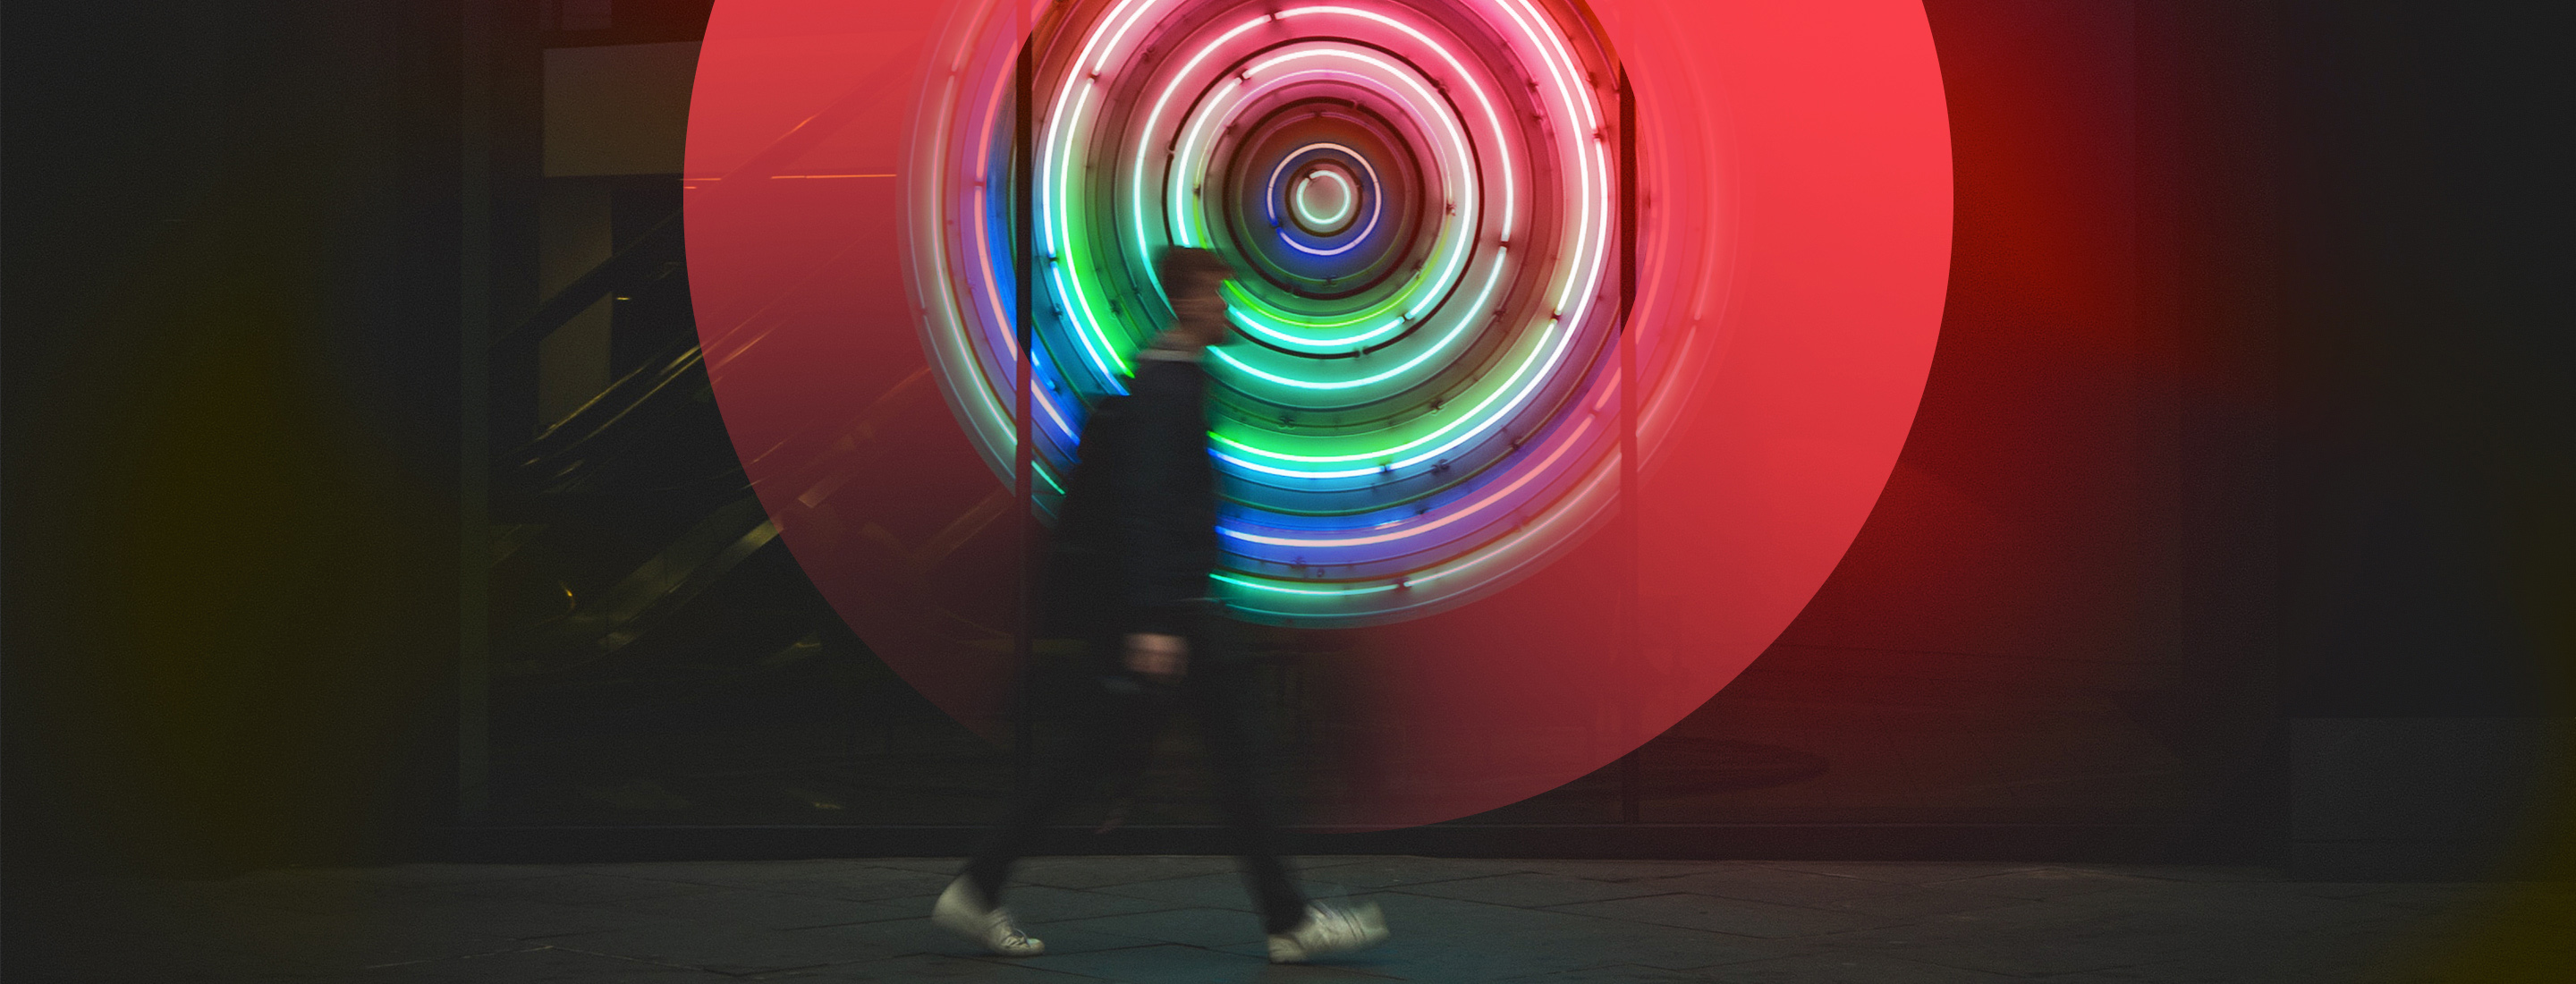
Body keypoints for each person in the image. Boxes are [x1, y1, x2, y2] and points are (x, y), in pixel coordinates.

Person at [930, 247, 1390, 964]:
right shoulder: (1167, 384)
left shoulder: (1176, 378)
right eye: (1216, 296)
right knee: (1216, 759)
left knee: (1115, 755)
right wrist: (1155, 616)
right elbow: (1145, 506)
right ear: (1187, 301)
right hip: (1176, 614)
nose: (1226, 309)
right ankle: (1289, 921)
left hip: (1175, 610)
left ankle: (980, 888)